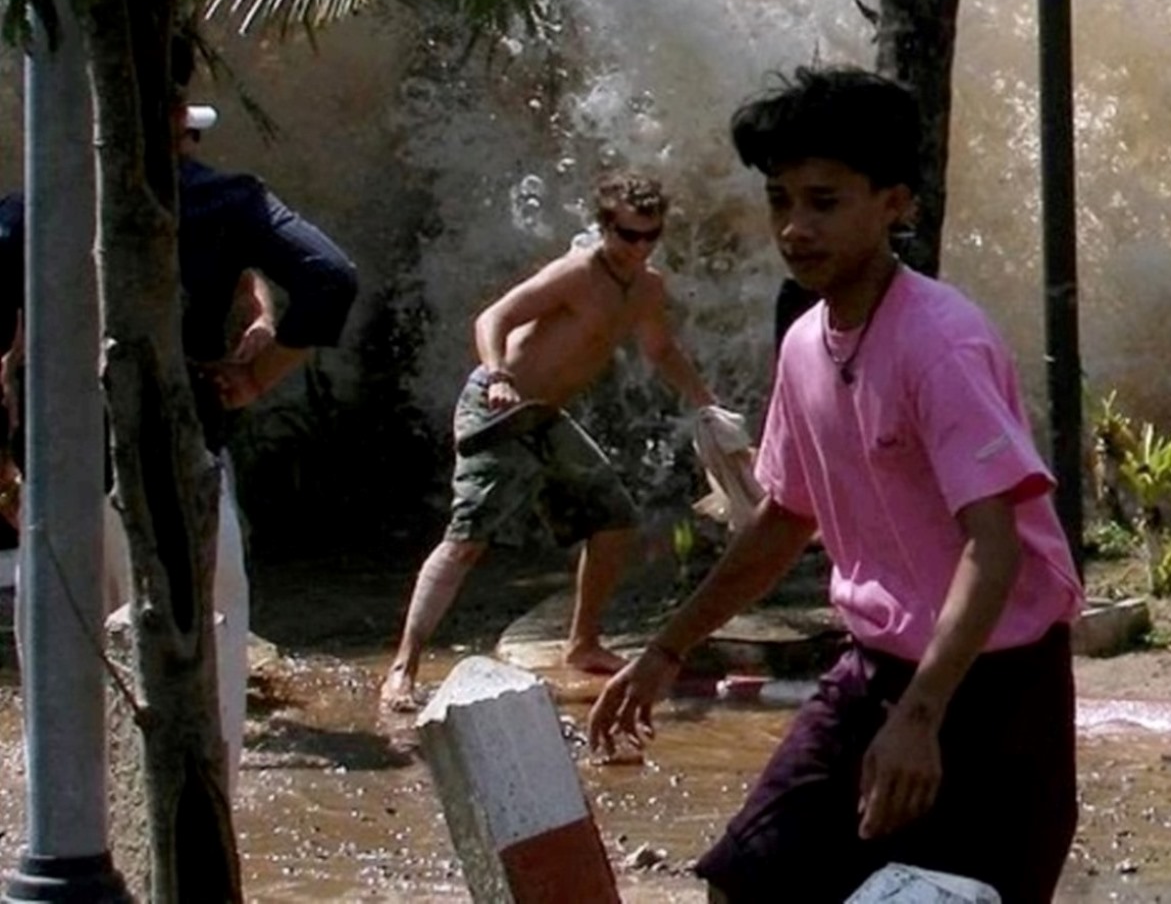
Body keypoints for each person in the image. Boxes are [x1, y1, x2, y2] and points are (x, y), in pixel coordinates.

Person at [589, 67, 1085, 903]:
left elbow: (992, 548)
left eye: (824, 202)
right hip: (873, 675)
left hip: (993, 693)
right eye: (781, 201)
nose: (795, 228)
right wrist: (666, 650)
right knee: (745, 885)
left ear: (894, 205)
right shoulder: (806, 344)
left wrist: (923, 717)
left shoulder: (940, 343)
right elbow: (785, 518)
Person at [0, 49, 360, 784]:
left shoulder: (32, 209)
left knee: (67, 667)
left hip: (60, 461)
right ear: (173, 120)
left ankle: (74, 840)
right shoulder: (227, 202)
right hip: (181, 457)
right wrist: (258, 376)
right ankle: (196, 833)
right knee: (207, 660)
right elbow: (329, 277)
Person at [380, 169, 721, 711]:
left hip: (545, 418)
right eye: (629, 235)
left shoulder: (647, 288)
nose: (640, 247)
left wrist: (706, 402)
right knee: (467, 539)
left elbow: (660, 350)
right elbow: (495, 317)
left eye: (650, 236)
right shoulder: (576, 273)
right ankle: (403, 667)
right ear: (605, 228)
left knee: (614, 521)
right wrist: (496, 375)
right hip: (499, 410)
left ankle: (583, 644)